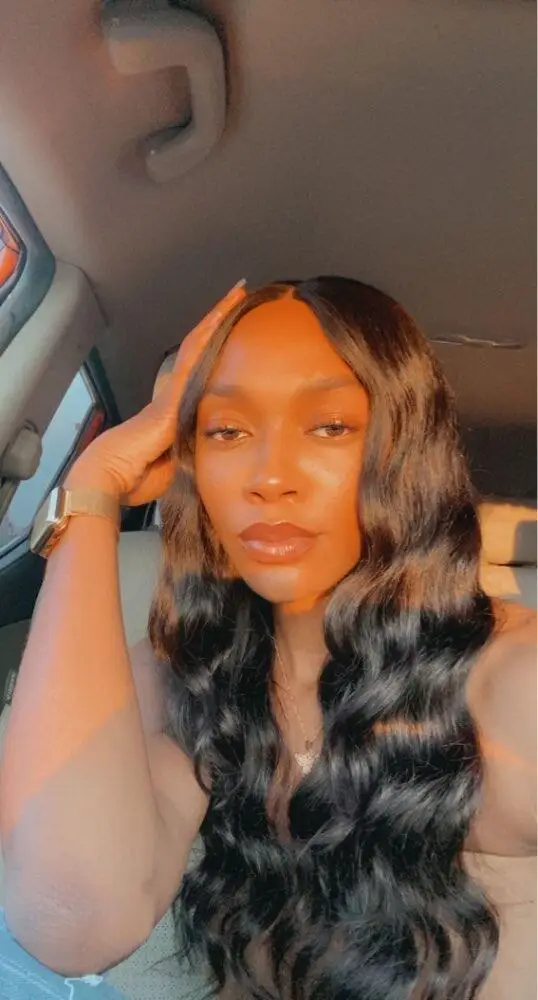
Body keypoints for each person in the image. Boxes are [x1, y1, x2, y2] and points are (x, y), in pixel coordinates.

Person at [0, 276, 535, 1000]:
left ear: (407, 448)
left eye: (330, 426)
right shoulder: (196, 669)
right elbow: (71, 920)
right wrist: (94, 490)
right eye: (226, 431)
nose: (269, 477)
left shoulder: (515, 681)